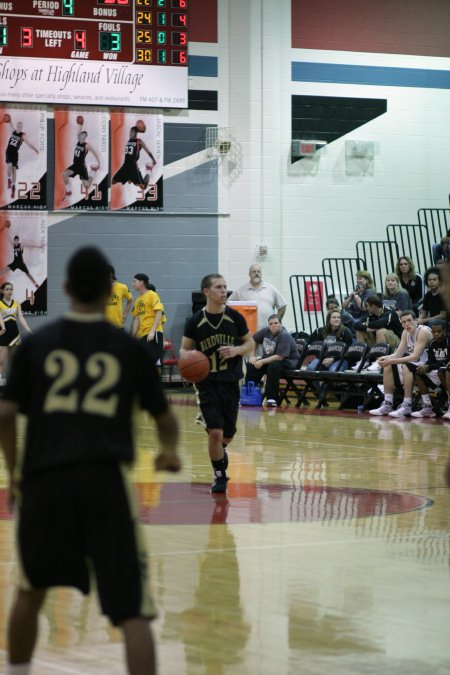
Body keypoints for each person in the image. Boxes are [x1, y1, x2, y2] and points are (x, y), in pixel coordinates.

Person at [0, 246, 181, 675]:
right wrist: (168, 451)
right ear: (109, 292)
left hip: (45, 480)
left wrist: (14, 472)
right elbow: (165, 417)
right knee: (133, 610)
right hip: (106, 482)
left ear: (64, 289)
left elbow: (5, 415)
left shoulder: (37, 346)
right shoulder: (128, 349)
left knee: (30, 592)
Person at [181, 274, 253, 493]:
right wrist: (191, 360)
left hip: (230, 381)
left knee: (227, 435)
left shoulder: (235, 318)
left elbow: (250, 343)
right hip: (206, 382)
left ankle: (219, 452)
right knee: (215, 433)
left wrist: (236, 350)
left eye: (225, 287)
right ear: (206, 292)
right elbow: (184, 349)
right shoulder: (195, 321)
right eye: (219, 287)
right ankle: (220, 475)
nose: (224, 291)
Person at [369, 310, 432, 417]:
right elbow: (398, 354)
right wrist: (384, 358)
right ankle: (388, 404)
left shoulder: (423, 331)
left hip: (429, 364)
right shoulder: (405, 333)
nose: (407, 324)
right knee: (388, 365)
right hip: (416, 363)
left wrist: (391, 360)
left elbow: (415, 356)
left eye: (409, 320)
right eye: (403, 322)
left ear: (416, 321)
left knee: (406, 366)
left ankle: (407, 405)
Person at [244, 314, 299, 407]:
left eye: (276, 323)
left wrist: (261, 361)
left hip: (289, 361)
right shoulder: (266, 330)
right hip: (272, 360)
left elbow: (280, 357)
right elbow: (253, 339)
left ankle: (272, 397)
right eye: (271, 324)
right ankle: (249, 394)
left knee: (274, 366)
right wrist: (252, 356)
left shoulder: (284, 335)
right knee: (251, 365)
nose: (273, 325)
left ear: (281, 324)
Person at [227, 263, 287, 330]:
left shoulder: (271, 289)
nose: (257, 273)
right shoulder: (241, 290)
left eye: (259, 271)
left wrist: (276, 322)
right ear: (249, 274)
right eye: (254, 271)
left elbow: (282, 305)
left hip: (268, 332)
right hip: (248, 333)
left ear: (261, 274)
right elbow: (228, 305)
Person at [410, 320, 449, 418]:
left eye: (439, 331)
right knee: (418, 372)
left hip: (446, 370)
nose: (436, 334)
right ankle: (427, 406)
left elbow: (446, 362)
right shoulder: (432, 343)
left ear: (445, 331)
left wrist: (429, 367)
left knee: (442, 371)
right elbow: (431, 361)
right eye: (434, 332)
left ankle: (448, 399)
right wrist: (425, 367)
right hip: (438, 369)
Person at [0, 281, 32, 380]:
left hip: (14, 334)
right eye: (7, 289)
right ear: (2, 291)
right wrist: (3, 327)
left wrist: (28, 329)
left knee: (14, 360)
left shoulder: (17, 303)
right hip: (3, 333)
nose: (9, 291)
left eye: (11, 289)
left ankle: (14, 381)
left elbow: (21, 318)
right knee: (1, 360)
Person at [131, 273, 165, 366]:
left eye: (134, 281)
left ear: (141, 282)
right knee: (144, 364)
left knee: (156, 364)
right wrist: (132, 337)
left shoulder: (152, 295)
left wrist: (152, 331)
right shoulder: (138, 300)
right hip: (143, 335)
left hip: (153, 334)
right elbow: (137, 319)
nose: (132, 284)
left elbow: (159, 312)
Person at [63, 120, 101, 200]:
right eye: (82, 135)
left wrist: (99, 162)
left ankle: (93, 171)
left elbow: (94, 152)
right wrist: (80, 124)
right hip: (75, 165)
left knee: (86, 186)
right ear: (80, 136)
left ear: (85, 137)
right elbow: (78, 131)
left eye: (85, 136)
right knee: (64, 174)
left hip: (81, 167)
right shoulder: (78, 141)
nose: (83, 136)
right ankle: (69, 192)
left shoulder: (86, 145)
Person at [112, 126, 156, 191]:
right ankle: (129, 178)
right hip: (125, 166)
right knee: (113, 181)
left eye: (132, 132)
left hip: (133, 167)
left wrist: (153, 160)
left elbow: (148, 151)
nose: (130, 133)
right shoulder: (129, 140)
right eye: (130, 132)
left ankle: (149, 170)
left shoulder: (139, 141)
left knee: (143, 187)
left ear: (136, 133)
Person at [5, 117, 39, 200]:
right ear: (17, 126)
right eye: (18, 125)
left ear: (22, 127)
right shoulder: (13, 131)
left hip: (15, 154)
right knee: (9, 166)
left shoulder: (22, 135)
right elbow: (10, 124)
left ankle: (14, 185)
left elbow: (29, 143)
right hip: (8, 151)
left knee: (14, 170)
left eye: (21, 126)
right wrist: (8, 120)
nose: (19, 127)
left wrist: (34, 149)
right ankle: (9, 180)